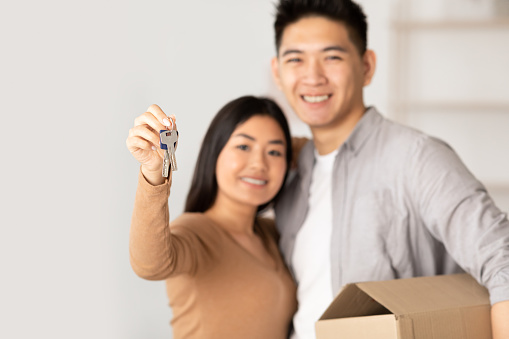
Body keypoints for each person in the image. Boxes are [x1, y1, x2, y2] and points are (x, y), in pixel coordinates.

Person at [269, 0, 509, 338]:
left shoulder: (416, 158)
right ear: (278, 72)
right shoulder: (286, 171)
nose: (312, 76)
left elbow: (502, 258)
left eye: (332, 57)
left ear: (366, 66)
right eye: (296, 59)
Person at [126, 96, 297, 339]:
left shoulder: (271, 233)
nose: (259, 163)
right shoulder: (195, 232)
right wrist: (154, 173)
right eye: (244, 147)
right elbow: (149, 265)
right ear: (214, 151)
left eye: (274, 151)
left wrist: (315, 150)